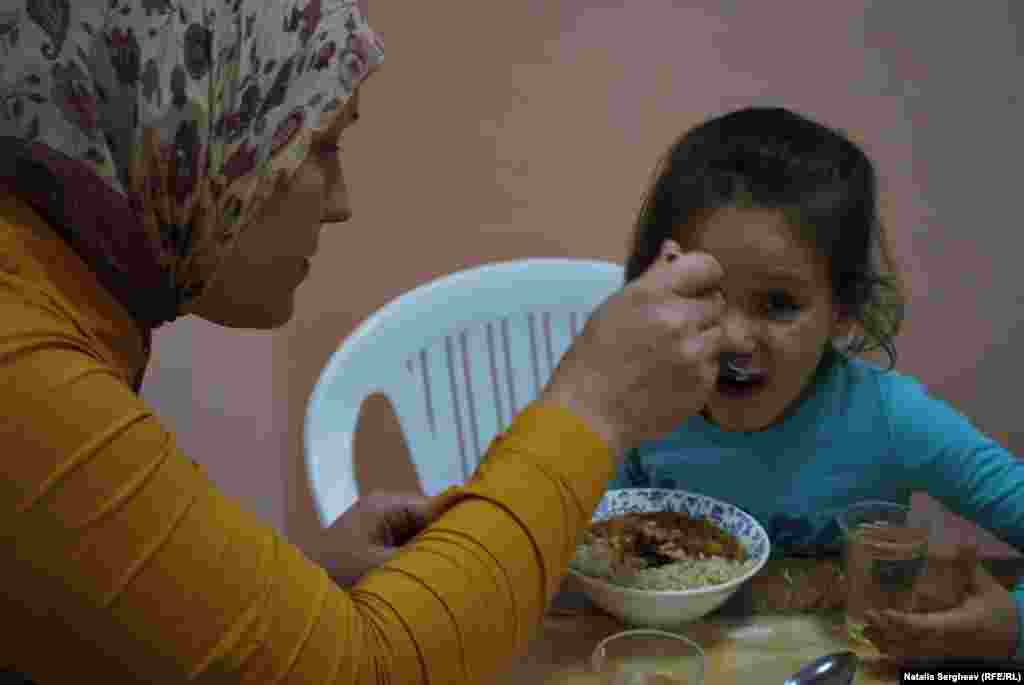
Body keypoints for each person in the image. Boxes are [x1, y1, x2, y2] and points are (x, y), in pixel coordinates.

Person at [0, 2, 728, 683]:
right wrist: (593, 405)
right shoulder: (22, 373)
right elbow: (371, 669)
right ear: (186, 122)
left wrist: (290, 579)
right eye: (321, 144)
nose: (341, 200)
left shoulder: (51, 299)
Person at [612, 106, 1024, 662]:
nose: (734, 337)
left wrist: (1012, 627)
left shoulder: (893, 419)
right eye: (704, 291)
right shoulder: (636, 404)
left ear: (844, 311)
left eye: (779, 305)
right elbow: (560, 554)